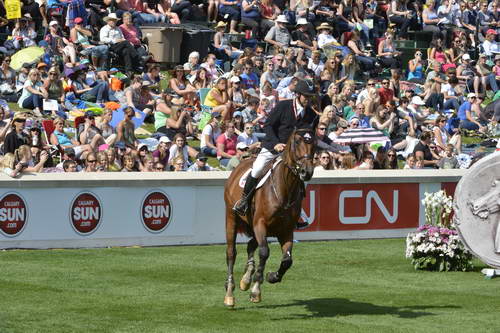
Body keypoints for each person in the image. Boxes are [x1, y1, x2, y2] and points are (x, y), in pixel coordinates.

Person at [233, 80, 318, 230]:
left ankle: (297, 211)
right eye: (306, 96)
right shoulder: (283, 106)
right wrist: (276, 144)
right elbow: (268, 125)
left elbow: (308, 138)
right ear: (297, 94)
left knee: (303, 177)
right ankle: (244, 201)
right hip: (273, 147)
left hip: (293, 155)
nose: (308, 99)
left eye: (310, 97)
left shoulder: (311, 114)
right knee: (258, 168)